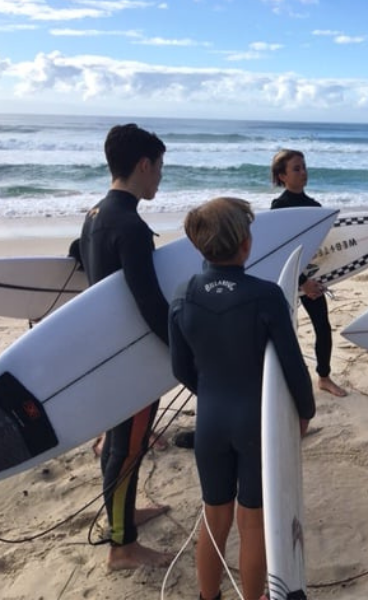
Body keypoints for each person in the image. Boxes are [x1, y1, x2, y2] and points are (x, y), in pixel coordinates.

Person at [169, 197, 316, 600]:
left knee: (214, 515)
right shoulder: (266, 296)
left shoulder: (183, 295)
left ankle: (208, 597)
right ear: (245, 243)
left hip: (210, 421)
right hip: (255, 422)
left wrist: (213, 391)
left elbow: (180, 368)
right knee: (253, 521)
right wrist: (304, 411)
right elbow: (292, 364)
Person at [77, 123, 173, 570]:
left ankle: (125, 518)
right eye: (158, 168)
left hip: (106, 351)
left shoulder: (95, 214)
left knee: (120, 444)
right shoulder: (130, 226)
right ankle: (122, 547)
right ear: (142, 164)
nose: (159, 178)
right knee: (126, 447)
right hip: (131, 358)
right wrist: (182, 351)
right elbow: (150, 304)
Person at [270, 149, 348, 397]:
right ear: (282, 176)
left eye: (304, 167)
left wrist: (317, 280)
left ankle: (324, 377)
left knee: (322, 328)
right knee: (283, 331)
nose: (303, 172)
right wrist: (303, 283)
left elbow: (319, 251)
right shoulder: (279, 207)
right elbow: (281, 250)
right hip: (289, 280)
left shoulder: (315, 208)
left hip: (312, 280)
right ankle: (281, 381)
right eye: (296, 168)